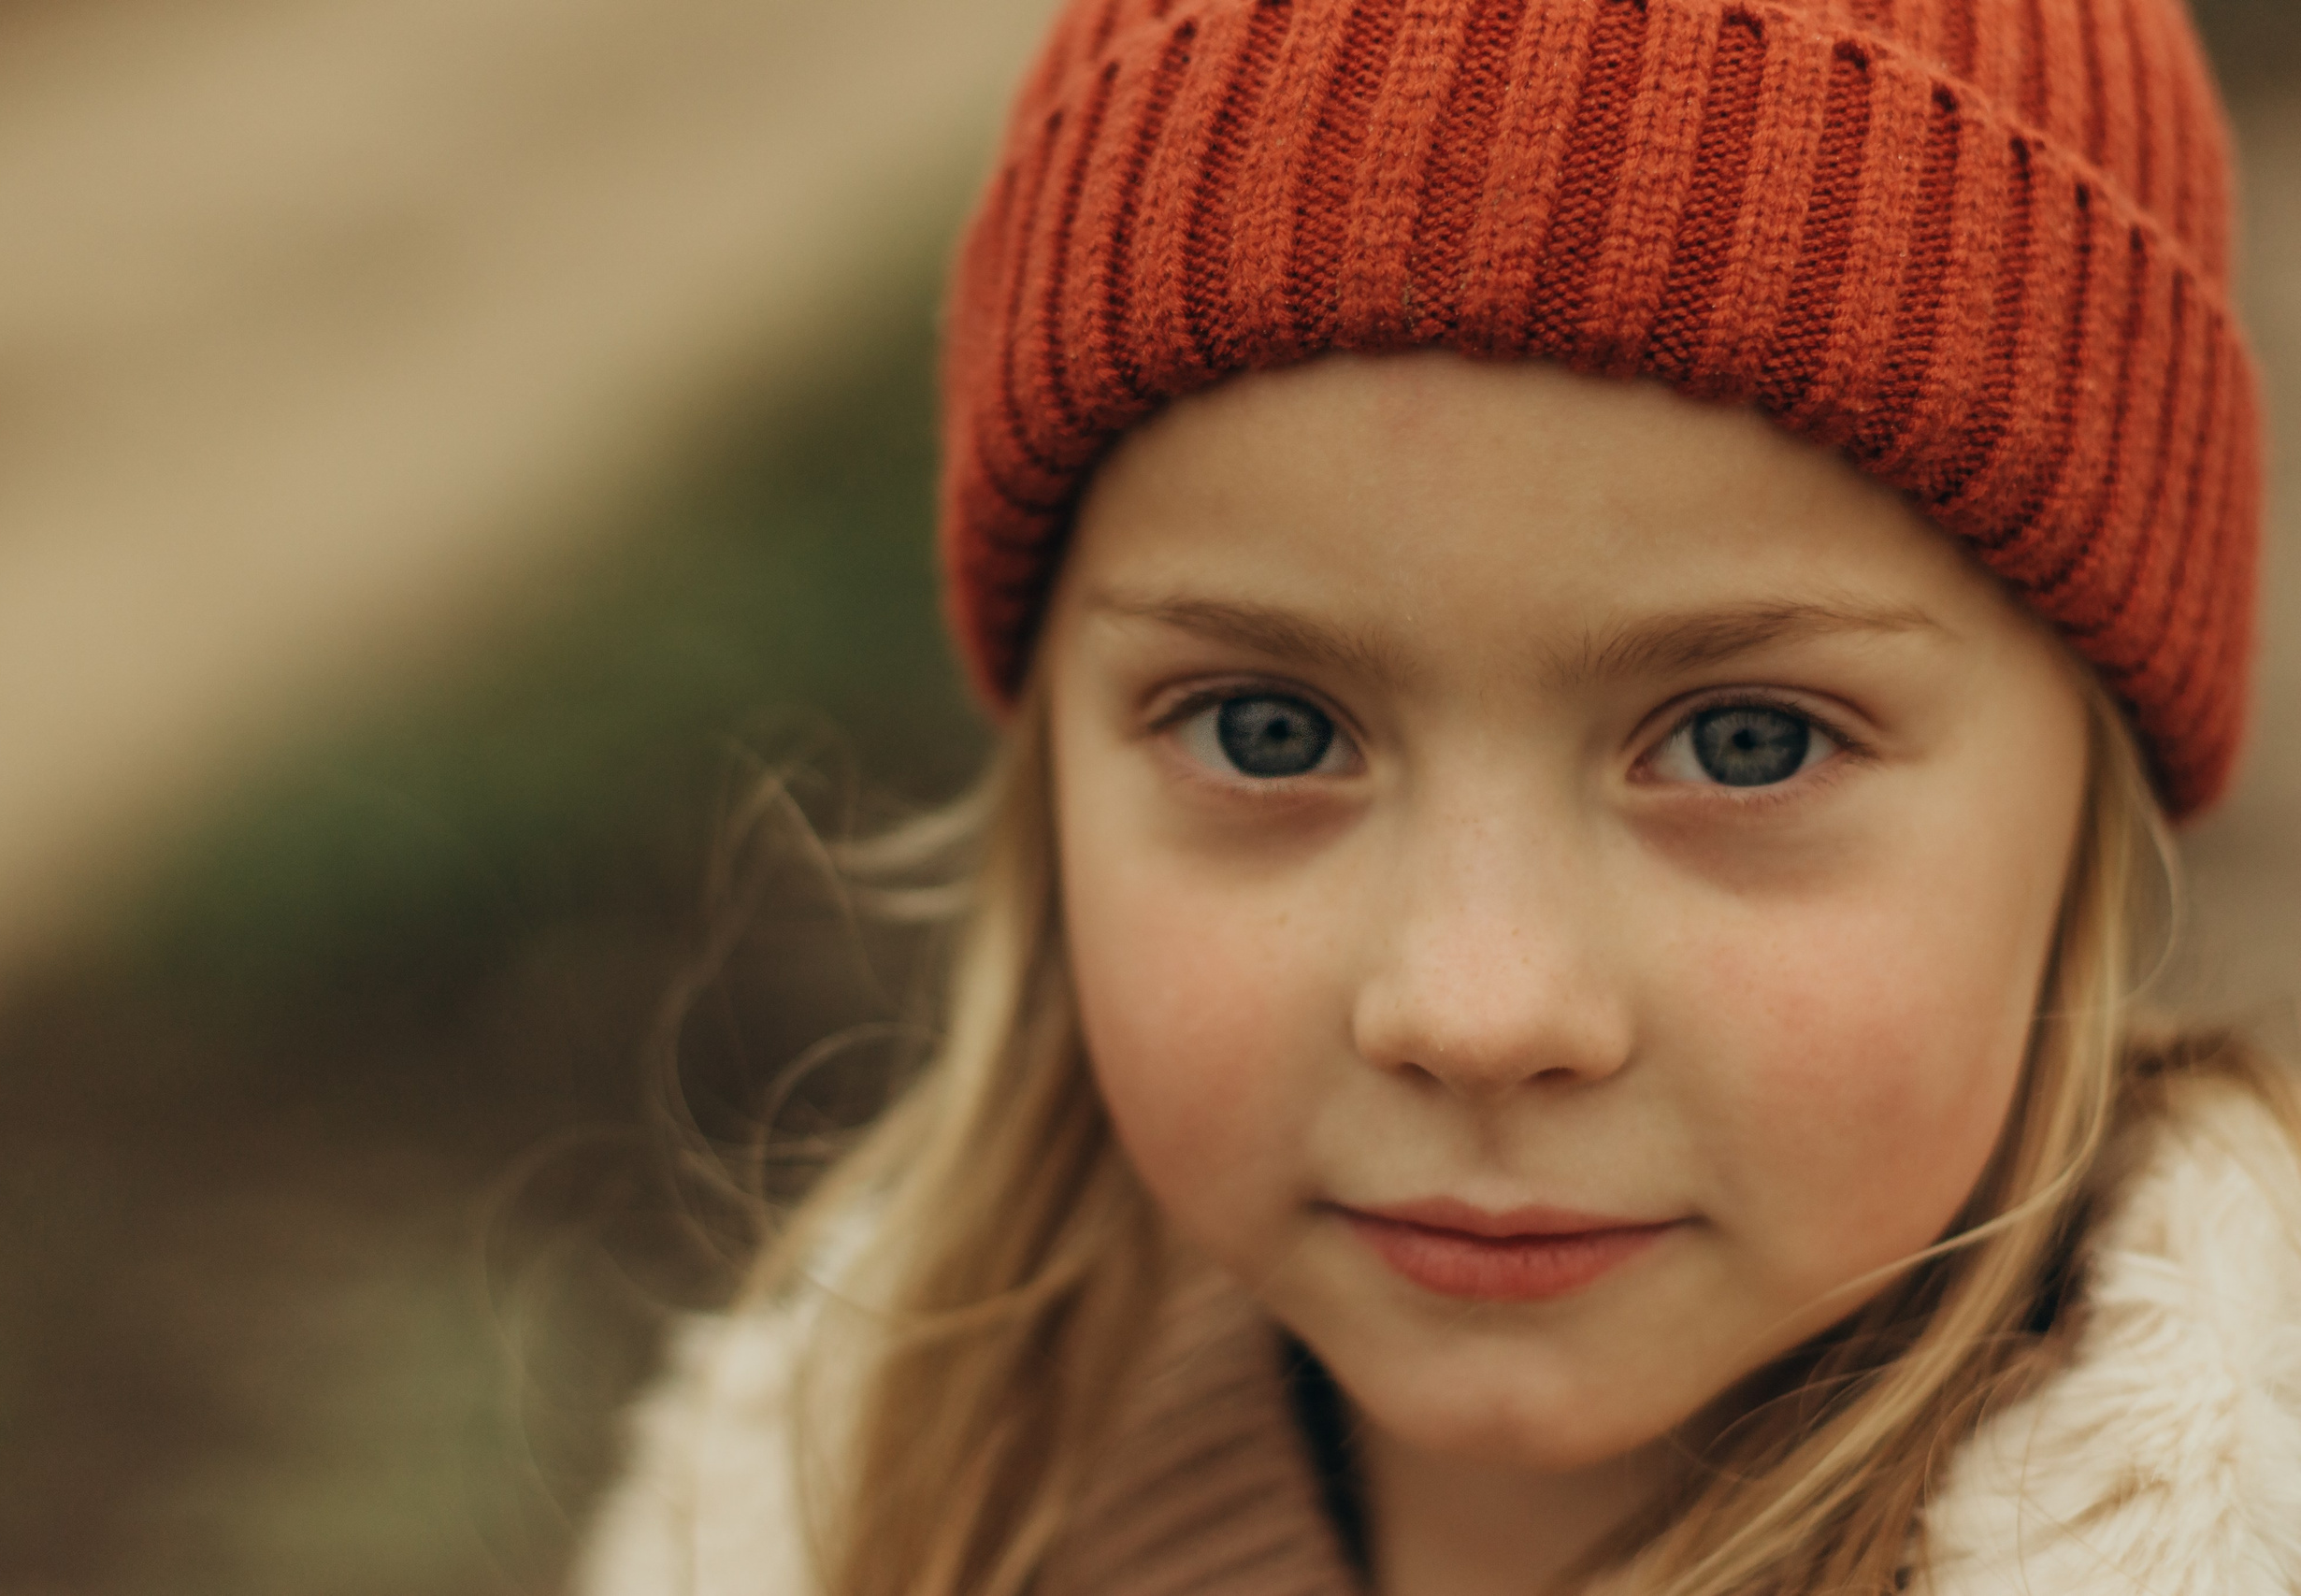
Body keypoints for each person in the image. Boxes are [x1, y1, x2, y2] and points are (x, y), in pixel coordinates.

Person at [579, 0, 2301, 1590]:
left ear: (2096, 780)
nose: (1475, 1011)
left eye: (1746, 743)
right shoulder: (846, 1509)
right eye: (1266, 731)